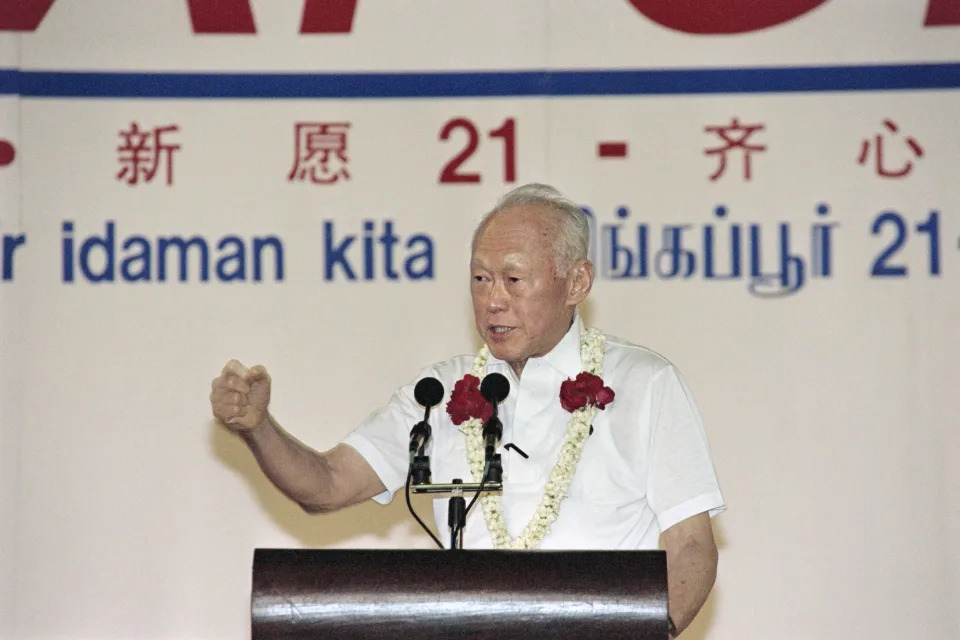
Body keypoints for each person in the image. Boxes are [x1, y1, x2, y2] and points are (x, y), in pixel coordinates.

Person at [210, 183, 724, 637]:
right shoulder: (438, 392)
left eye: (513, 280)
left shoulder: (644, 382)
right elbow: (325, 485)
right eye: (480, 280)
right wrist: (259, 429)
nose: (493, 300)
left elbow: (692, 549)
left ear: (577, 283)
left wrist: (644, 635)